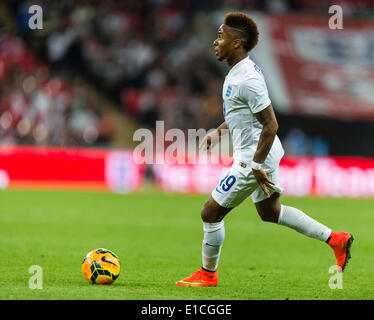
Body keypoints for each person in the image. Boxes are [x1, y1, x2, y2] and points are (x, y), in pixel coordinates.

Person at [175, 12, 353, 287]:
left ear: (237, 43)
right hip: (261, 152)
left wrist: (256, 165)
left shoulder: (247, 78)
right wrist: (219, 132)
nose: (215, 41)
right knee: (270, 213)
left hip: (254, 156)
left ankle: (208, 275)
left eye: (221, 35)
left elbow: (271, 124)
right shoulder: (239, 72)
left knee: (210, 213)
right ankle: (336, 239)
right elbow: (242, 113)